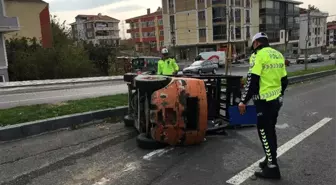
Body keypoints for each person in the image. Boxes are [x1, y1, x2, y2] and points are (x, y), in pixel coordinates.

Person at [238, 32, 288, 179]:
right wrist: (279, 96)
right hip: (275, 101)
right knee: (270, 130)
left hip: (263, 102)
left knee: (264, 133)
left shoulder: (259, 55)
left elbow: (252, 81)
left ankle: (272, 168)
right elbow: (284, 80)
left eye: (253, 45)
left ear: (256, 43)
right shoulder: (278, 54)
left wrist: (243, 101)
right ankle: (269, 158)